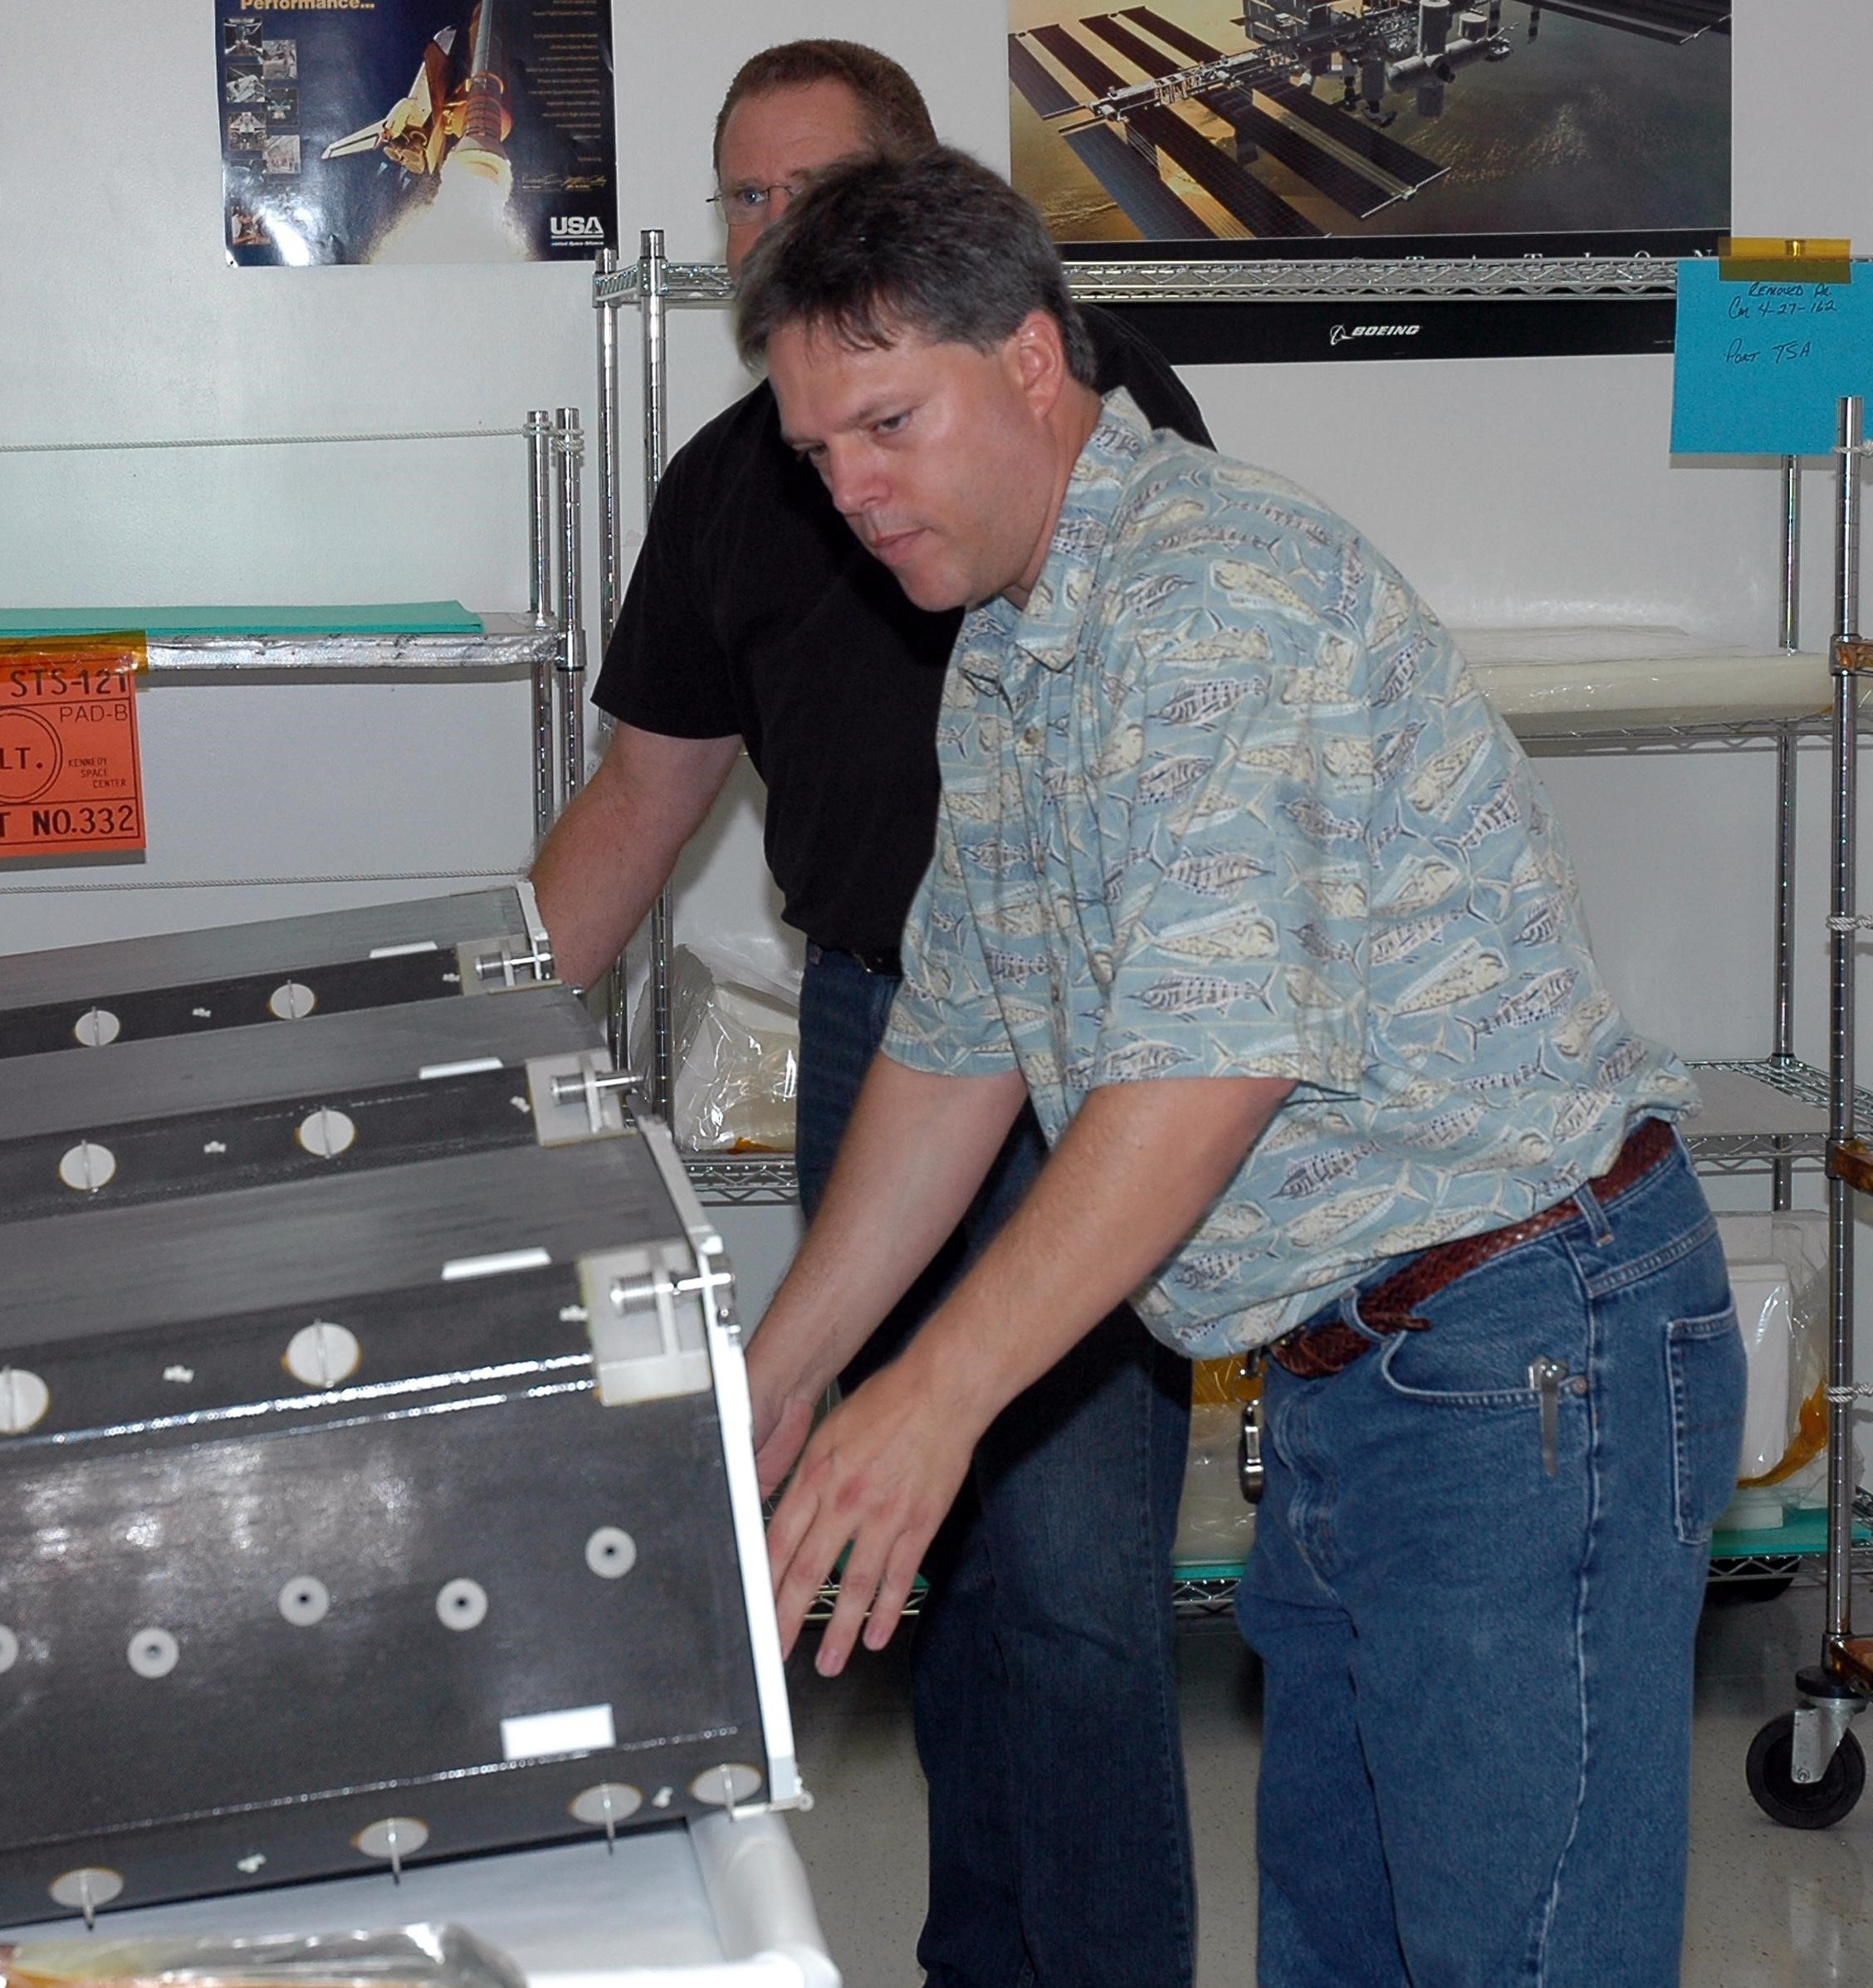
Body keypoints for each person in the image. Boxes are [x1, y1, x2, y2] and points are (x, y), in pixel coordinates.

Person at [736, 146, 1743, 1986]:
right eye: (818, 454)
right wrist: (781, 1379)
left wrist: (934, 1396)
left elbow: (1203, 1076)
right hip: (1363, 1374)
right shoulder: (1012, 647)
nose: (852, 493)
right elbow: (960, 1043)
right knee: (1344, 1954)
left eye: (887, 425)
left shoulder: (1209, 596)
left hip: (1525, 1358)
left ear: (1032, 362)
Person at [527, 41, 1209, 1988]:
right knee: (921, 1560)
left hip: (1104, 1049)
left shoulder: (1105, 456)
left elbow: (1201, 969)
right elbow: (642, 802)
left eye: (811, 190)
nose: (776, 231)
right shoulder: (733, 488)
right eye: (744, 200)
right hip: (888, 1033)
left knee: (1070, 1579)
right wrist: (467, 1049)